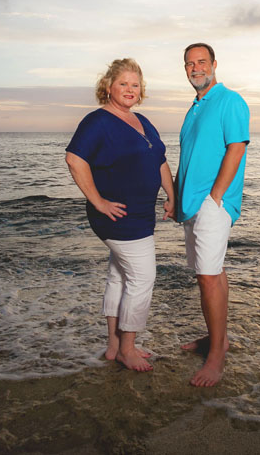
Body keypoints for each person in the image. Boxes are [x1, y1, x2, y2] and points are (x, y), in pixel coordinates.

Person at [65, 58, 175, 372]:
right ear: (109, 87)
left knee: (120, 277)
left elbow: (160, 160)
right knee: (142, 278)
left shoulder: (142, 121)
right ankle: (128, 348)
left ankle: (114, 345)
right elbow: (75, 159)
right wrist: (98, 200)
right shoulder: (98, 121)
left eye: (135, 85)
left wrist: (172, 193)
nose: (129, 90)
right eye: (123, 84)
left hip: (141, 215)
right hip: (119, 217)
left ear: (141, 91)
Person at [174, 43, 250, 386]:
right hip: (191, 204)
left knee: (207, 275)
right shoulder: (194, 108)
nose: (195, 68)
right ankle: (216, 338)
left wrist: (216, 196)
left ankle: (216, 355)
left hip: (211, 203)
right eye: (190, 63)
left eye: (201, 62)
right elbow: (188, 158)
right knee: (210, 274)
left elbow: (237, 148)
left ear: (215, 64)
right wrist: (175, 197)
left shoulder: (230, 100)